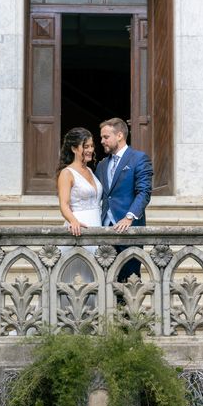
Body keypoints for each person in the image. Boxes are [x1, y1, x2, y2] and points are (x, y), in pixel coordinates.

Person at [95, 118, 153, 282]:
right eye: (102, 138)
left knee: (130, 281)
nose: (102, 141)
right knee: (106, 282)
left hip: (130, 230)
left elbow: (144, 192)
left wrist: (129, 217)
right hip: (105, 230)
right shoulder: (101, 165)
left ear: (119, 135)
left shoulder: (139, 158)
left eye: (106, 137)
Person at [56, 127, 103, 284]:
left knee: (94, 275)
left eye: (91, 146)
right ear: (74, 148)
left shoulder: (89, 170)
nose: (90, 150)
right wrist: (73, 221)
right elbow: (63, 204)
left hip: (97, 225)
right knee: (68, 277)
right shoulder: (67, 173)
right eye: (86, 146)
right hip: (79, 225)